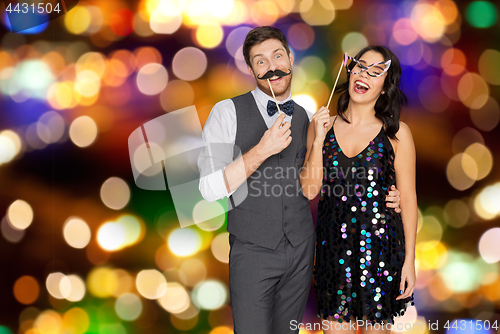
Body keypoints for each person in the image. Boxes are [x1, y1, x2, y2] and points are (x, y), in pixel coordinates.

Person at [198, 27, 402, 334]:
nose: (272, 66)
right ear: (251, 68)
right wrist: (262, 150)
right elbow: (208, 189)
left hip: (302, 253)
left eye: (278, 56)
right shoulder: (226, 113)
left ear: (291, 59)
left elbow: (326, 180)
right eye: (261, 61)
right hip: (252, 252)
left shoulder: (309, 118)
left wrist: (387, 195)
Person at [299, 45, 417, 333]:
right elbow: (309, 190)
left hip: (380, 252)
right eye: (360, 66)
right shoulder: (321, 125)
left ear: (385, 87)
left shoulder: (398, 133)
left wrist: (410, 261)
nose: (364, 74)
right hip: (331, 254)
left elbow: (409, 198)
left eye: (375, 71)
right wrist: (317, 141)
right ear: (350, 70)